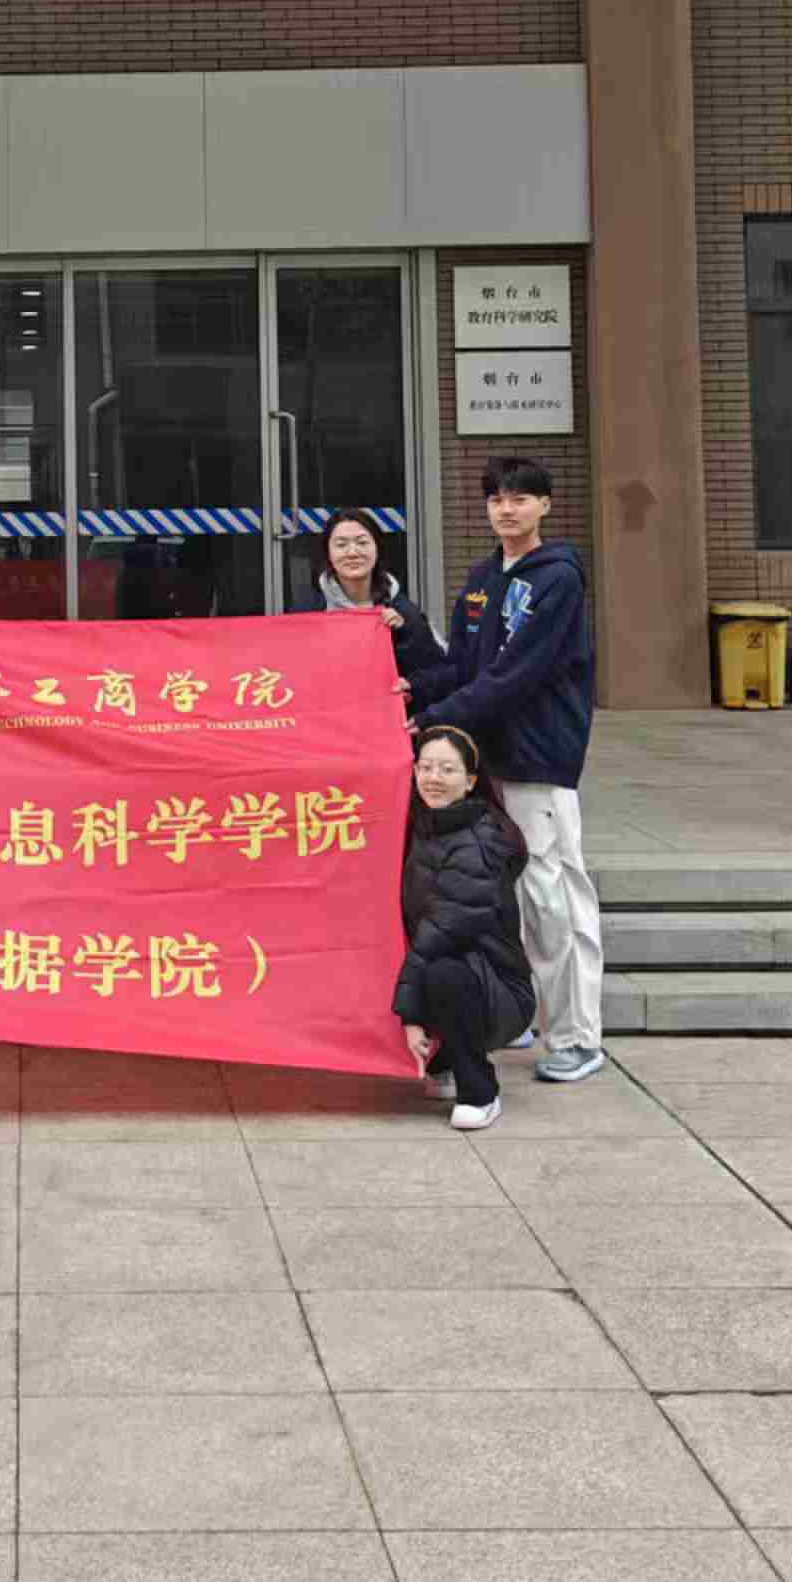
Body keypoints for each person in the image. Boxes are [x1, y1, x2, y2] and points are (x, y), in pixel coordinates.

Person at [409, 455, 605, 1085]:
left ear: (545, 505)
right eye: (496, 499)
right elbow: (463, 667)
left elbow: (516, 675)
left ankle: (576, 1036)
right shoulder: (483, 578)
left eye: (520, 498)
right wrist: (408, 689)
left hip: (537, 760)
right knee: (501, 899)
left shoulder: (558, 580)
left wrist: (434, 716)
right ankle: (518, 1011)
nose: (507, 509)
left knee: (552, 897)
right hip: (485, 762)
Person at [394, 726, 534, 1130]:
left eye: (447, 769)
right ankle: (447, 1061)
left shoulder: (479, 843)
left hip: (498, 992)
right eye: (425, 767)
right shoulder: (423, 823)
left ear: (471, 781)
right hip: (460, 967)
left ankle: (479, 1091)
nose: (433, 778)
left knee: (442, 973)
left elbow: (439, 936)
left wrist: (410, 1016)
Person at [290, 508, 448, 692]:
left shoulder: (404, 612)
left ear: (377, 549)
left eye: (362, 542)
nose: (352, 552)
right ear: (328, 554)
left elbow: (440, 674)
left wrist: (405, 636)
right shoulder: (307, 612)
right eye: (341, 545)